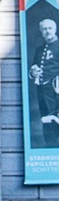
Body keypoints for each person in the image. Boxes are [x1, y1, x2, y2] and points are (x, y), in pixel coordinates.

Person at [30, 14, 59, 148]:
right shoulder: (40, 49)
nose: (47, 31)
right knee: (46, 118)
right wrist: (33, 72)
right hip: (42, 89)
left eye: (49, 28)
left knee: (55, 117)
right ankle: (50, 146)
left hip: (55, 90)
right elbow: (34, 66)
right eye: (44, 29)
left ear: (55, 29)